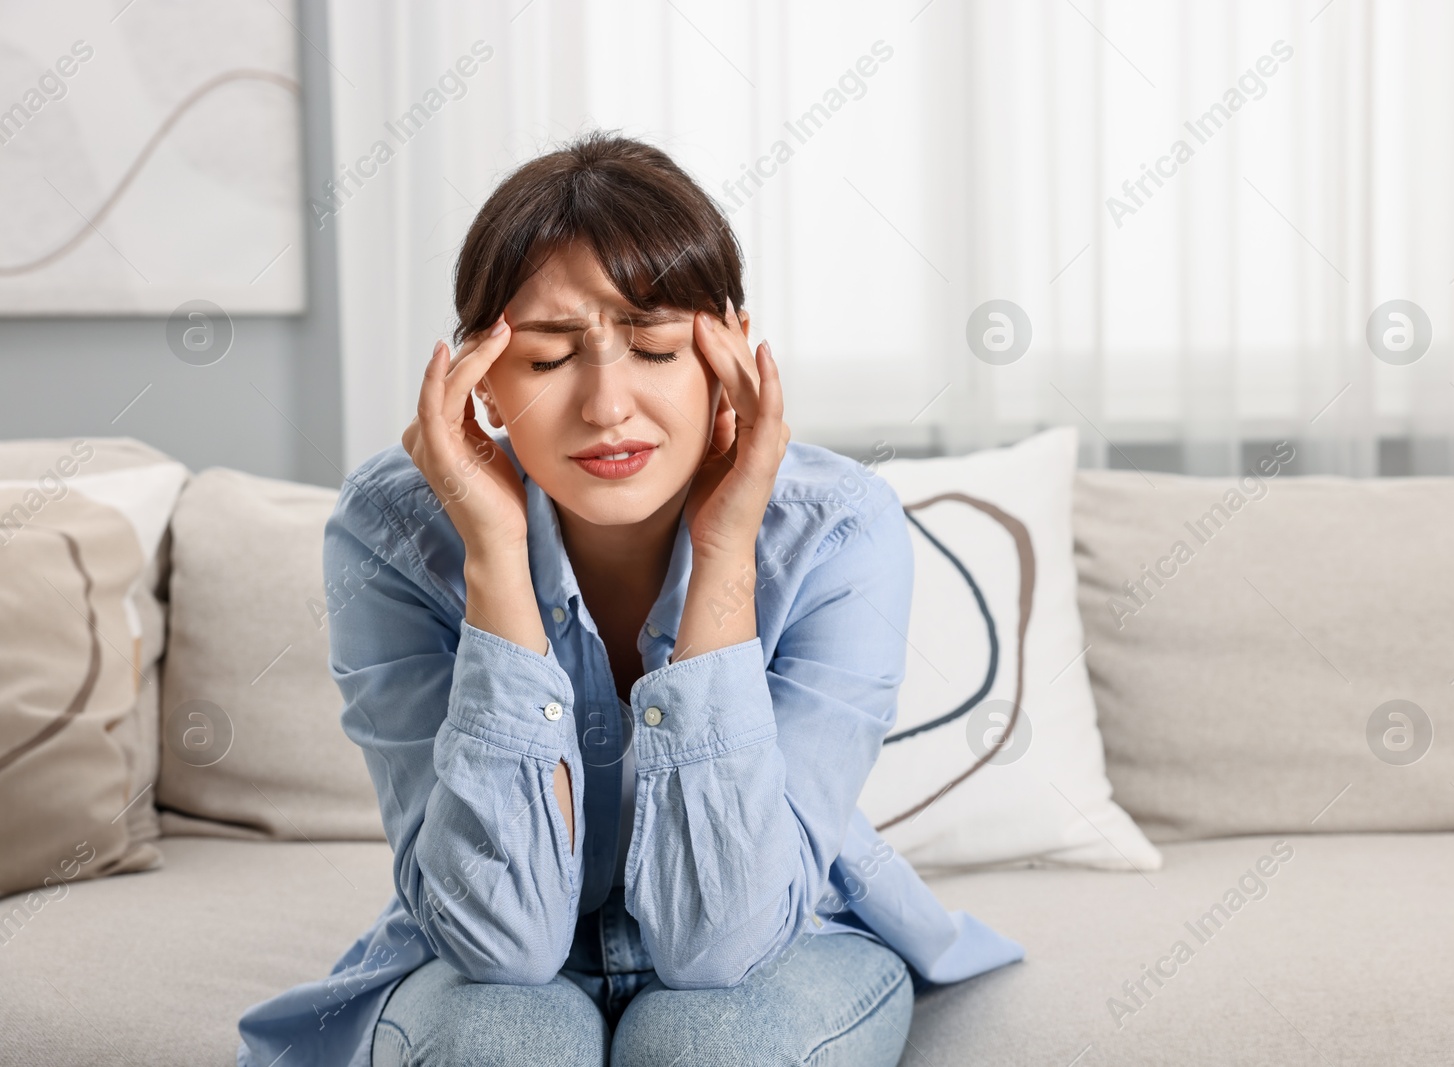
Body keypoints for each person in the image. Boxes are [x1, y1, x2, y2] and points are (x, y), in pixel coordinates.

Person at [236, 130, 1022, 1067]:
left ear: (725, 355)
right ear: (481, 382)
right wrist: (493, 555)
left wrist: (726, 546)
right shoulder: (393, 530)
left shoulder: (838, 529)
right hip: (491, 966)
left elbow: (719, 944)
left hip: (784, 940)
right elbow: (503, 943)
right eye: (548, 358)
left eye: (653, 346)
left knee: (707, 1043)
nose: (608, 405)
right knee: (501, 1040)